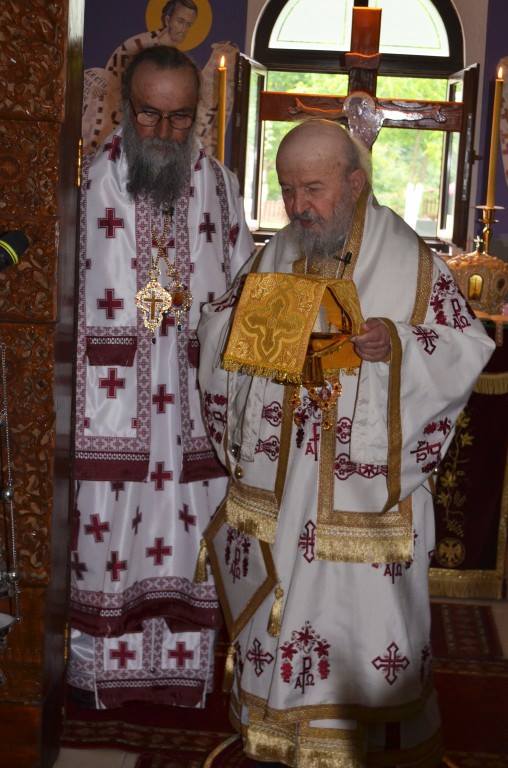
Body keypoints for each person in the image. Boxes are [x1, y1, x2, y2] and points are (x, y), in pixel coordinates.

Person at [197, 119, 495, 765]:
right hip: (283, 491)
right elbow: (218, 324)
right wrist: (242, 326)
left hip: (367, 501)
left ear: (355, 184)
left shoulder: (410, 260)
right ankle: (279, 734)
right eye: (287, 189)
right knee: (280, 608)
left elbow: (466, 346)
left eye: (314, 188)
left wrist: (398, 346)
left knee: (363, 625)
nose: (298, 206)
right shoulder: (276, 253)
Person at [69, 45, 253, 710]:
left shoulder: (221, 186)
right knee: (104, 533)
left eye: (180, 118)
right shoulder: (86, 183)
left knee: (190, 533)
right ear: (126, 107)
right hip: (108, 401)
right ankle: (94, 675)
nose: (165, 132)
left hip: (195, 405)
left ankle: (183, 676)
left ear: (197, 113)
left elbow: (243, 285)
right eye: (150, 114)